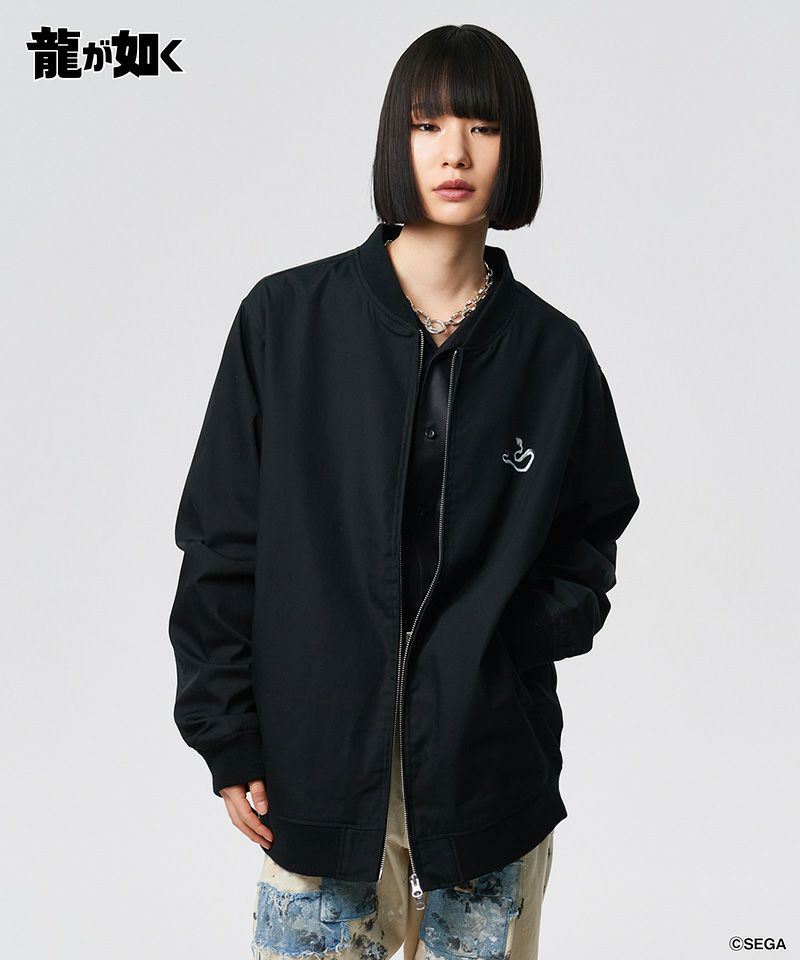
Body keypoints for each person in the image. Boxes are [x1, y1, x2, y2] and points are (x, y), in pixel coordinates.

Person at [168, 23, 640, 960]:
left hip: (487, 781)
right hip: (313, 771)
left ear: (515, 149)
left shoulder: (553, 357)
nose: (455, 152)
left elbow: (591, 537)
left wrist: (503, 640)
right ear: (398, 139)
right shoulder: (285, 323)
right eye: (428, 125)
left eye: (483, 127)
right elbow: (222, 541)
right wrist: (229, 735)